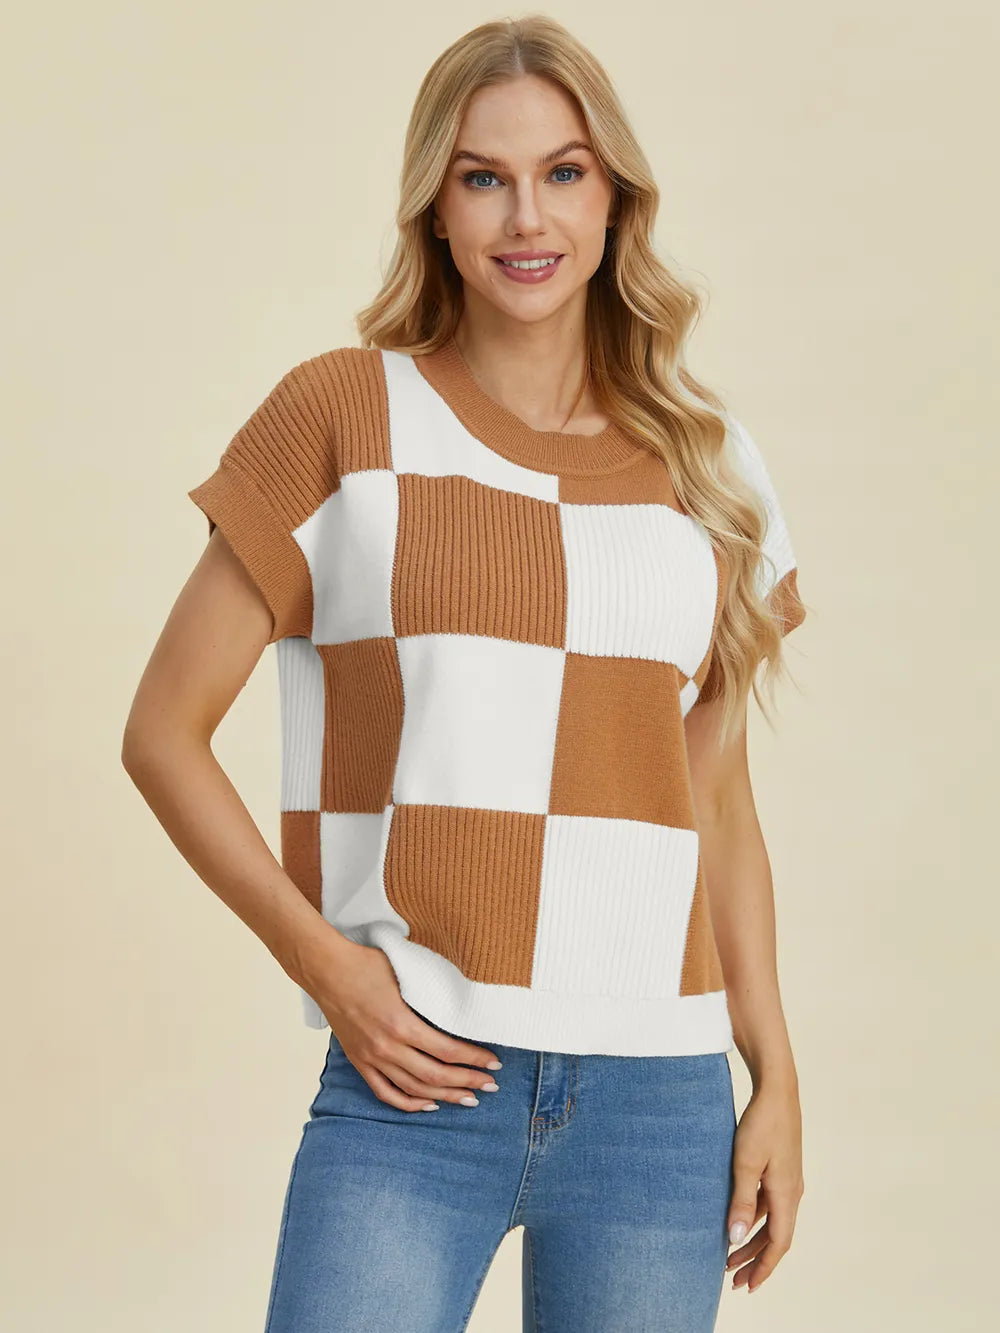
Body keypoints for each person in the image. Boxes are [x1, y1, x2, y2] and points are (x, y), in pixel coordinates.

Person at [122, 14, 808, 1332]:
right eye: (483, 177)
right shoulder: (343, 416)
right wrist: (329, 968)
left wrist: (774, 1071)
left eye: (564, 172)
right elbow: (160, 731)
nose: (525, 215)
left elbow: (715, 803)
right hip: (417, 1078)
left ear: (615, 200)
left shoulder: (711, 464)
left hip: (658, 1099)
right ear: (435, 208)